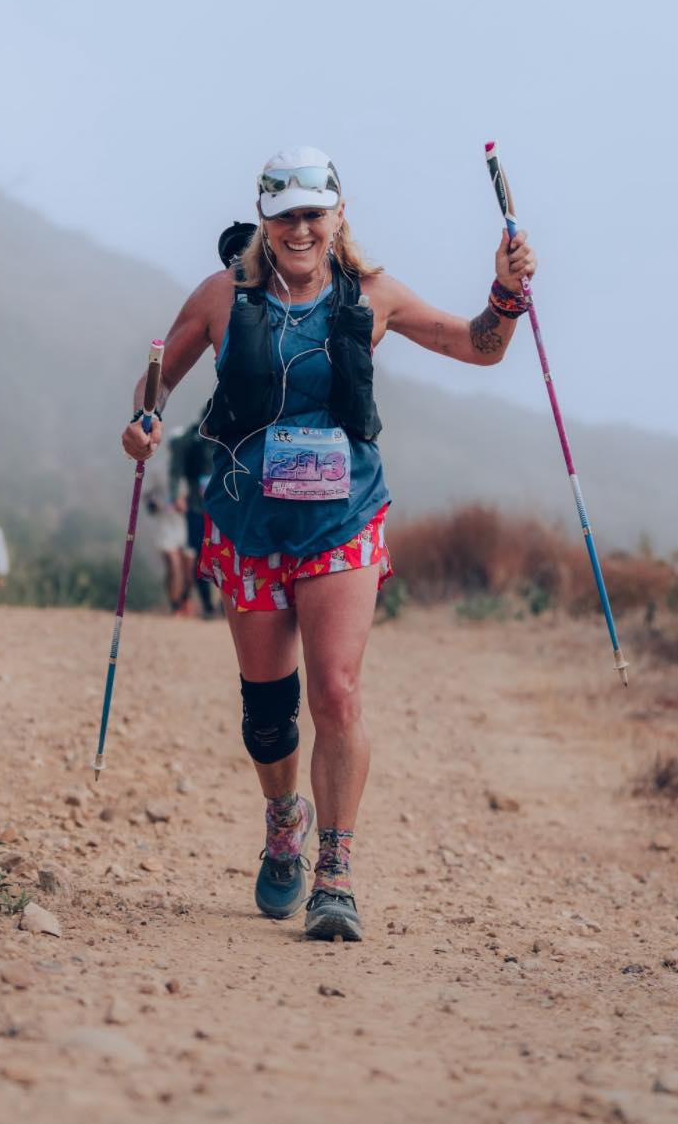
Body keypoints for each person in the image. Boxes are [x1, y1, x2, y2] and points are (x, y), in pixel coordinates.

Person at [121, 146, 536, 942]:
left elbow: (478, 346)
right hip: (248, 522)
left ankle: (335, 873)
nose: (300, 230)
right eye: (286, 217)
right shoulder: (221, 296)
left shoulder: (373, 296)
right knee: (267, 715)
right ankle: (285, 819)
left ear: (339, 215)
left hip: (342, 521)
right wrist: (144, 422)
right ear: (264, 220)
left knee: (337, 693)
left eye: (314, 214)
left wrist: (507, 293)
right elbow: (158, 380)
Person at [168, 406, 218, 617]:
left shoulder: (229, 437)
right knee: (200, 555)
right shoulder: (189, 440)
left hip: (225, 507)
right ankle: (208, 605)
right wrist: (175, 496)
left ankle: (224, 605)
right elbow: (175, 471)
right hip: (198, 509)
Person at [143, 455, 195, 614]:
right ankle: (175, 606)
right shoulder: (158, 470)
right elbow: (147, 495)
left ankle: (185, 600)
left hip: (185, 524)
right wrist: (155, 506)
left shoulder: (192, 467)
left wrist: (187, 504)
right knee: (173, 565)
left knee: (189, 569)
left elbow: (200, 494)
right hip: (164, 524)